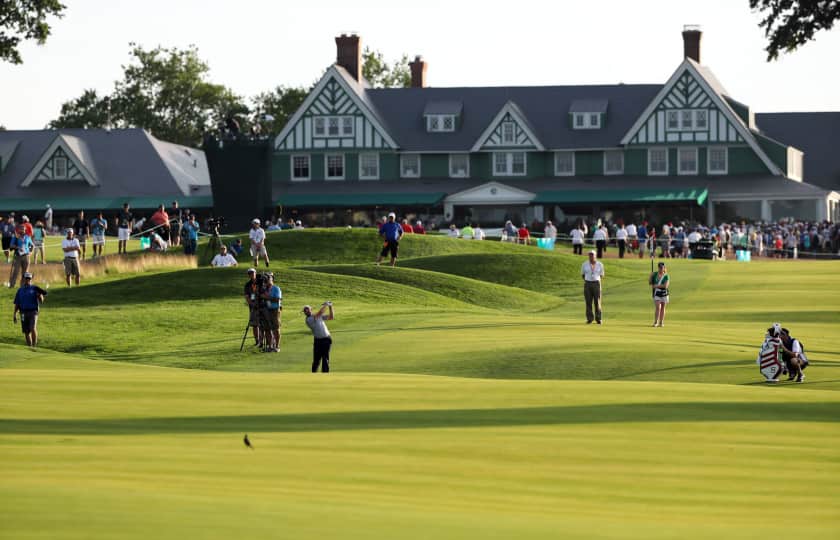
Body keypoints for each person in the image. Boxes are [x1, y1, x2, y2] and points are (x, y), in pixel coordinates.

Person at [13, 272, 47, 348]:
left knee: (33, 328)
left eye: (29, 278)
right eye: (26, 278)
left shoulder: (34, 288)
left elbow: (41, 301)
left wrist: (40, 296)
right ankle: (30, 347)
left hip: (33, 312)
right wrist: (14, 314)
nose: (28, 280)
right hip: (22, 313)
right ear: (23, 279)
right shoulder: (20, 290)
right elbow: (17, 304)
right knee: (26, 332)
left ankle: (34, 346)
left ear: (31, 279)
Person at [302, 302, 334, 373]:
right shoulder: (308, 320)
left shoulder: (318, 316)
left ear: (311, 309)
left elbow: (331, 317)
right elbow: (319, 313)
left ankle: (325, 375)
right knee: (316, 360)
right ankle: (314, 375)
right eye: (305, 311)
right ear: (304, 313)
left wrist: (330, 307)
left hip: (326, 339)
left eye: (307, 309)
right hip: (318, 341)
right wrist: (326, 305)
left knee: (325, 359)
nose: (306, 311)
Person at [581, 250, 604, 324]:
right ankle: (590, 318)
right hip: (587, 283)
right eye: (590, 255)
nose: (591, 256)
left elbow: (601, 275)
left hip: (597, 283)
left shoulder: (600, 264)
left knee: (597, 301)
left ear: (595, 256)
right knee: (588, 301)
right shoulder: (584, 264)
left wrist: (595, 280)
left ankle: (598, 318)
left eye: (592, 255)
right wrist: (588, 280)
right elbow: (583, 275)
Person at [260, 272, 282, 352]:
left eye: (268, 278)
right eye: (266, 279)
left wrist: (266, 297)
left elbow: (277, 299)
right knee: (267, 329)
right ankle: (269, 346)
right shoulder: (263, 289)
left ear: (272, 279)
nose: (266, 281)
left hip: (275, 310)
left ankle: (277, 346)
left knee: (276, 328)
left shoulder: (276, 288)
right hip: (266, 309)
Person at [243, 268, 261, 347]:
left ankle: (263, 340)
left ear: (255, 273)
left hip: (262, 305)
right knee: (254, 325)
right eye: (249, 273)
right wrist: (252, 303)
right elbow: (247, 297)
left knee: (263, 324)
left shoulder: (261, 281)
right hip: (253, 307)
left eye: (252, 273)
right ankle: (257, 341)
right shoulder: (247, 285)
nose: (251, 274)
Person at [649, 261, 670, 327]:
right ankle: (656, 322)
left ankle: (661, 322)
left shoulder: (666, 276)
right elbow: (650, 283)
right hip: (657, 292)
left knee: (663, 307)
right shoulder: (654, 274)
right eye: (660, 267)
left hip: (664, 293)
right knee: (658, 307)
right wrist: (650, 276)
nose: (661, 269)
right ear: (658, 268)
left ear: (664, 268)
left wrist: (656, 286)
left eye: (662, 268)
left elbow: (665, 286)